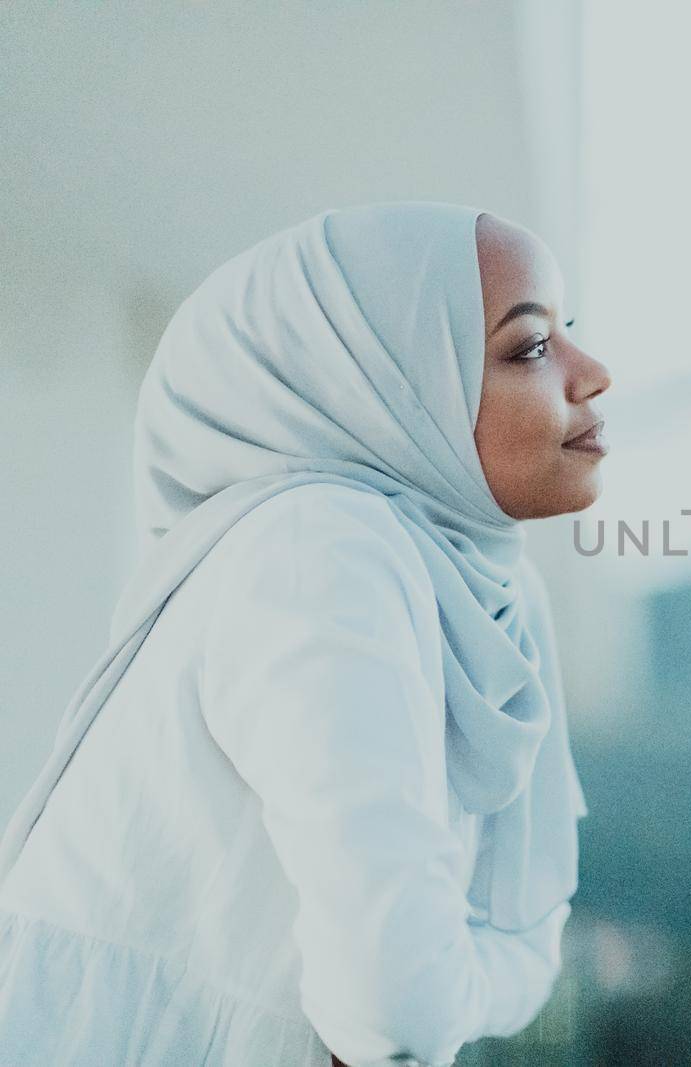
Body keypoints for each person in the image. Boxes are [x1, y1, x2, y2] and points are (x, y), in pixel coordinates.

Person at [0, 202, 613, 1066]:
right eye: (530, 348)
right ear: (392, 388)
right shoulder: (321, 547)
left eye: (568, 333)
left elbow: (509, 950)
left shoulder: (481, 584)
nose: (594, 374)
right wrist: (440, 981)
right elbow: (401, 1005)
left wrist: (442, 980)